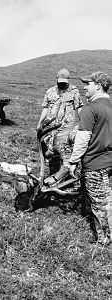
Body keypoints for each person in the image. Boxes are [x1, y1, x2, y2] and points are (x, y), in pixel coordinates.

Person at [68, 71, 112, 246]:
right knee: (108, 199)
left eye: (88, 84)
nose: (84, 87)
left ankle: (104, 241)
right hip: (110, 162)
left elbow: (82, 138)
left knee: (99, 205)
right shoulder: (110, 107)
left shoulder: (90, 109)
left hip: (95, 164)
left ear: (99, 86)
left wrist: (72, 162)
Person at [36, 68, 84, 185]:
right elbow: (46, 108)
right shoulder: (50, 91)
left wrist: (83, 122)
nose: (62, 84)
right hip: (51, 130)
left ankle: (66, 179)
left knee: (66, 156)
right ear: (56, 79)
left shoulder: (74, 91)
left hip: (67, 130)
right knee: (51, 154)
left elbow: (79, 107)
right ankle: (53, 177)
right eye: (60, 81)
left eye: (64, 82)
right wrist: (40, 123)